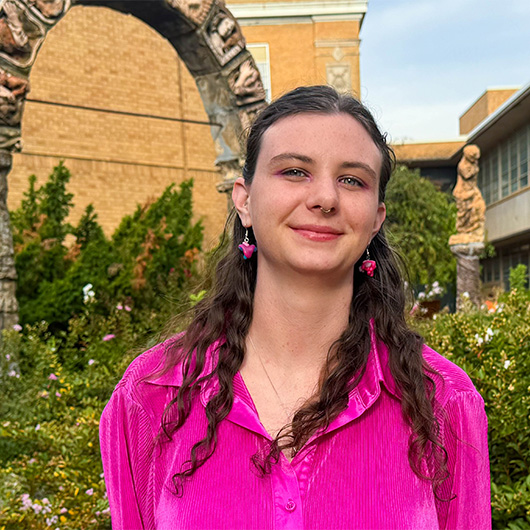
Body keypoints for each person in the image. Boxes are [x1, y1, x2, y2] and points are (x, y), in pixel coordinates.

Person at [100, 85, 491, 530]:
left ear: (376, 218)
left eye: (352, 180)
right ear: (244, 200)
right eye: (294, 171)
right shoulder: (151, 395)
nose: (325, 198)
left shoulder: (444, 402)